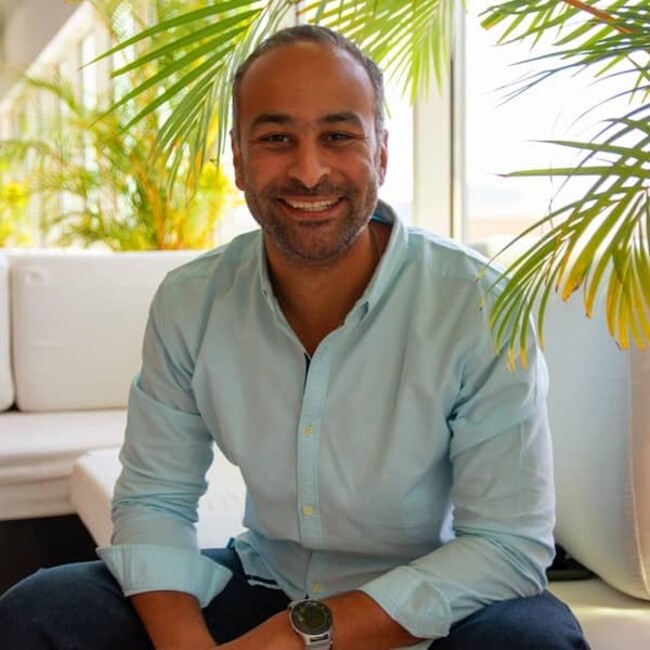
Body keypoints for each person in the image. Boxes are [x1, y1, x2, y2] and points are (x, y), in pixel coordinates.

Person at [0, 24, 588, 650]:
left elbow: (508, 544)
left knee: (535, 642)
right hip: (267, 580)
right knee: (43, 610)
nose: (309, 172)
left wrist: (293, 639)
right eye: (277, 138)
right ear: (238, 158)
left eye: (338, 136)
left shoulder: (477, 301)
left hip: (439, 604)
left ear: (381, 154)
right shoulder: (191, 300)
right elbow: (155, 501)